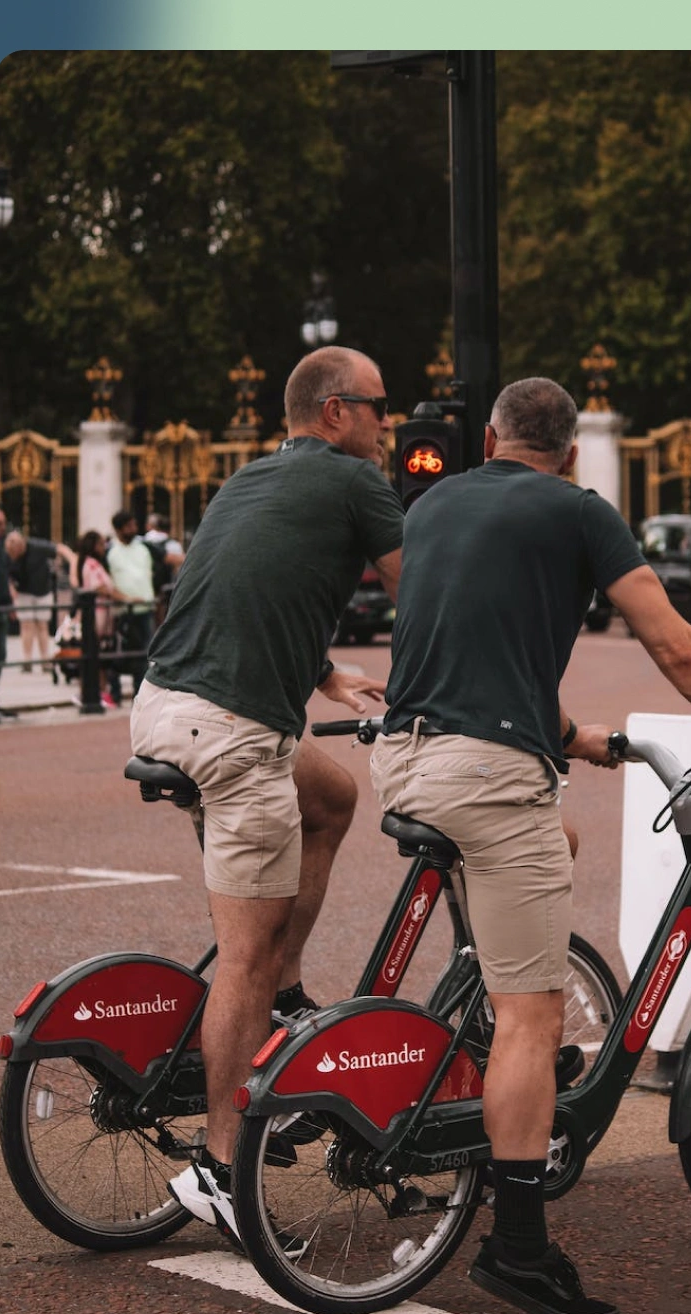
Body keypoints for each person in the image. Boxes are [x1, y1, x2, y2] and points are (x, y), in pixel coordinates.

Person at [370, 376, 691, 1314]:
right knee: (533, 1019)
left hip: (405, 762)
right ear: (571, 452)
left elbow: (463, 633)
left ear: (488, 437)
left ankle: (482, 1021)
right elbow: (679, 649)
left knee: (554, 842)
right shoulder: (581, 511)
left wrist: (564, 730)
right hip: (486, 776)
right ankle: (520, 1250)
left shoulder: (436, 497)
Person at [129, 345, 403, 1248]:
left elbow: (236, 589)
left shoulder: (254, 478)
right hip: (234, 732)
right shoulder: (358, 483)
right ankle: (219, 1172)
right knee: (242, 953)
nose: (390, 424)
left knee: (328, 793)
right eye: (378, 407)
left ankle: (282, 998)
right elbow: (423, 596)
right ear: (334, 411)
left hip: (167, 708)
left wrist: (323, 674)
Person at [4, 529, 78, 674]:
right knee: (26, 625)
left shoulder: (36, 546)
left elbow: (61, 549)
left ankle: (44, 660)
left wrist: (74, 565)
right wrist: (11, 588)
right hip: (23, 592)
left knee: (42, 625)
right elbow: (7, 574)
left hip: (42, 590)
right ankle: (27, 660)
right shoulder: (8, 554)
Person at [76, 530, 132, 709]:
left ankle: (99, 691)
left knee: (97, 654)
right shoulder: (91, 564)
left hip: (101, 613)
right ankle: (95, 692)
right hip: (98, 613)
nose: (103, 548)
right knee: (96, 653)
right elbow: (102, 588)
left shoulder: (90, 563)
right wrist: (125, 598)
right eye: (100, 544)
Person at [106, 511, 156, 691]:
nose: (134, 529)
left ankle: (139, 690)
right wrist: (125, 599)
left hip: (145, 608)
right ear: (119, 529)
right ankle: (115, 691)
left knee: (144, 654)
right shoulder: (110, 551)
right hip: (123, 612)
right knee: (120, 655)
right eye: (129, 526)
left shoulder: (144, 548)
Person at [0, 505, 17, 723]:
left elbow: (4, 578)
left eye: (3, 523)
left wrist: (9, 603)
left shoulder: (0, 547)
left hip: (1, 608)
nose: (2, 528)